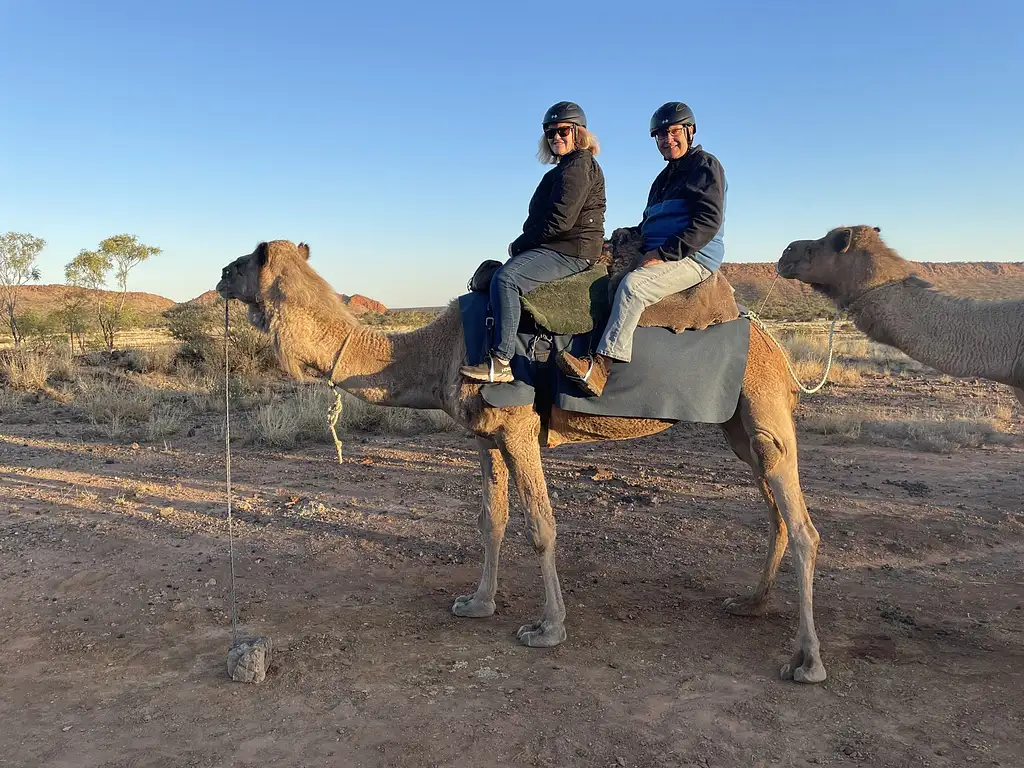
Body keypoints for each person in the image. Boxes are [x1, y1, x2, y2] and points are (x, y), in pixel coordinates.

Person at [556, 101, 727, 397]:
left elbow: (708, 221)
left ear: (689, 131)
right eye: (660, 135)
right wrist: (624, 237)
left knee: (634, 287)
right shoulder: (662, 180)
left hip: (692, 255)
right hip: (659, 249)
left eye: (673, 132)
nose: (667, 140)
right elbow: (650, 222)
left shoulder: (706, 167)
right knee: (598, 279)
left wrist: (662, 255)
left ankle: (601, 368)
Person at [460, 101, 606, 383]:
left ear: (579, 132)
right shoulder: (564, 169)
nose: (556, 138)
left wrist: (520, 245)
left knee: (506, 280)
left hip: (571, 250)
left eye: (563, 130)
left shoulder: (579, 166)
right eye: (550, 133)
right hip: (558, 245)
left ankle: (501, 360)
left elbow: (560, 221)